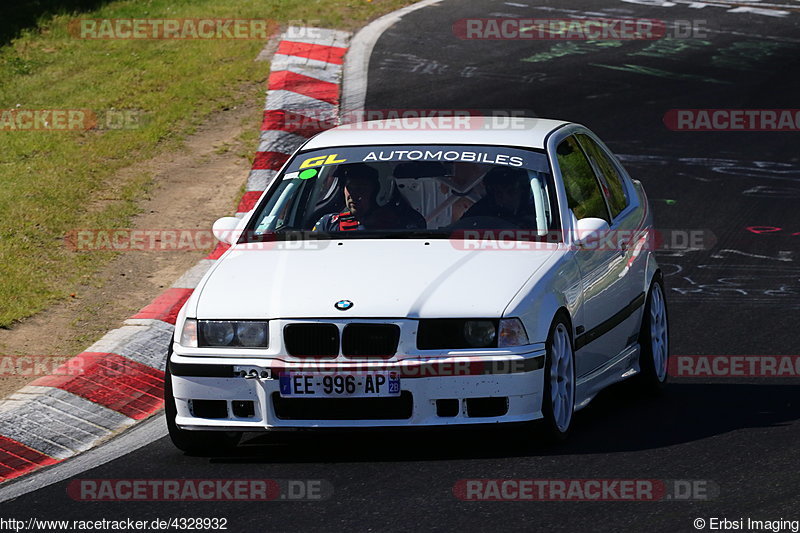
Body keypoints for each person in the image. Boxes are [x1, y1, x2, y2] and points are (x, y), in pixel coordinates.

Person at [313, 163, 426, 232]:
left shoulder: (406, 223)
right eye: (349, 187)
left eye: (361, 187)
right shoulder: (329, 223)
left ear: (381, 189)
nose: (353, 194)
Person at [460, 165, 536, 228]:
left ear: (522, 191)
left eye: (511, 192)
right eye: (499, 193)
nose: (506, 198)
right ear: (492, 195)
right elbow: (458, 231)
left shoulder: (538, 211)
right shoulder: (480, 212)